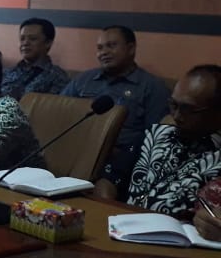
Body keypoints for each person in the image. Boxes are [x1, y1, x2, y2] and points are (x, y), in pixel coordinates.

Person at [61, 25, 170, 199]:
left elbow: (154, 138)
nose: (104, 52)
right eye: (100, 48)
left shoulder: (152, 87)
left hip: (119, 161)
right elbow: (59, 114)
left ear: (131, 48)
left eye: (111, 46)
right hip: (76, 153)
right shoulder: (84, 80)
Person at [124, 65, 221, 219]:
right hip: (123, 224)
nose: (176, 116)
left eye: (187, 109)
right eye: (173, 105)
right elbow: (110, 179)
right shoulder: (155, 135)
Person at [0, 17, 70, 99]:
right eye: (22, 39)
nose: (25, 43)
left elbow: (54, 105)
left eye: (33, 39)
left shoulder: (57, 76)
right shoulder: (7, 73)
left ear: (48, 43)